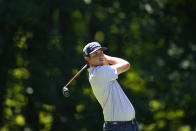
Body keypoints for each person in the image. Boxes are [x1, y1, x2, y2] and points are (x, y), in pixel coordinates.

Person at [83, 42, 139, 131]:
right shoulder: (99, 73)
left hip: (128, 125)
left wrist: (102, 58)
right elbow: (126, 64)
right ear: (87, 58)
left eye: (101, 52)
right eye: (95, 53)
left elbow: (105, 64)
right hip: (118, 127)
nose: (100, 55)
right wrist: (107, 57)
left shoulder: (102, 71)